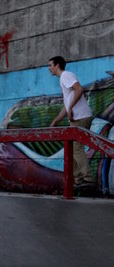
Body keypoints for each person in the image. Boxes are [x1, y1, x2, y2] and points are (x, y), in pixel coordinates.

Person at [48, 55, 95, 189]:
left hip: (80, 117)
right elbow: (67, 105)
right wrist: (56, 120)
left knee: (76, 148)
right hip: (77, 117)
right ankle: (79, 179)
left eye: (50, 65)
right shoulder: (63, 79)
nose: (49, 68)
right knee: (71, 149)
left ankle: (88, 178)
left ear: (57, 65)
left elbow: (79, 89)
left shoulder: (65, 75)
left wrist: (70, 108)